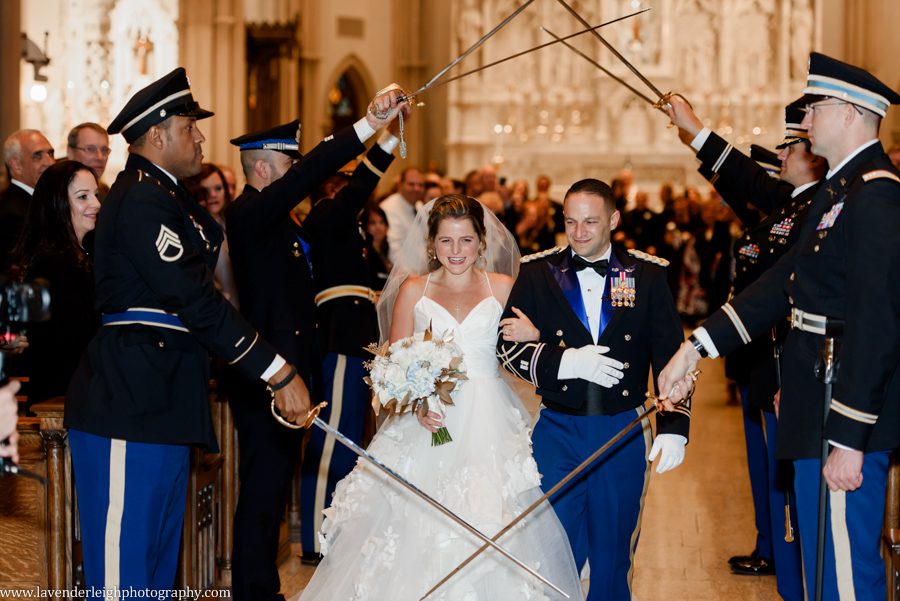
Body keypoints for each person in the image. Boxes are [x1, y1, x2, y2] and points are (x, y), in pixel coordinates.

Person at [658, 52, 900, 601]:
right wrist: (695, 346)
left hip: (841, 413)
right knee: (820, 571)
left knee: (845, 575)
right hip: (815, 401)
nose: (805, 123)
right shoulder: (840, 192)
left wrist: (852, 438)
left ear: (849, 112)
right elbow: (780, 284)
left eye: (814, 109)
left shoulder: (876, 196)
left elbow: (878, 327)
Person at [64, 67, 311, 596]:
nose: (200, 137)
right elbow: (193, 298)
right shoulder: (141, 198)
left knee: (155, 571)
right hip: (128, 400)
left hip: (164, 398)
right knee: (122, 574)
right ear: (156, 135)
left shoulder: (172, 200)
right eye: (189, 126)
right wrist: (277, 370)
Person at [300, 194, 582, 600]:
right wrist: (415, 402)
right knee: (412, 524)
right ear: (431, 244)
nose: (456, 251)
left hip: (488, 418)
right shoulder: (415, 290)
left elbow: (544, 342)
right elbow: (388, 365)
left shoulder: (504, 288)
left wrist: (534, 335)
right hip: (426, 422)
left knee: (489, 517)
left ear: (482, 242)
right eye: (446, 241)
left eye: (466, 241)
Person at [227, 88, 406, 601]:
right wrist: (365, 125)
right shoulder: (250, 214)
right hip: (269, 374)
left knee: (273, 485)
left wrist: (386, 141)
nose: (298, 175)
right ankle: (254, 592)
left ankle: (260, 587)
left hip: (291, 368)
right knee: (263, 488)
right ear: (264, 170)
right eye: (290, 165)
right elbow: (314, 177)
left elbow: (346, 198)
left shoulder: (280, 221)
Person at [497, 178, 690, 601]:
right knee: (553, 549)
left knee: (613, 552)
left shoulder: (648, 275)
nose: (579, 232)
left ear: (614, 220)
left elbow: (671, 357)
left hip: (620, 428)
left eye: (590, 222)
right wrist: (562, 357)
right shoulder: (537, 272)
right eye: (571, 222)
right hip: (557, 429)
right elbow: (504, 349)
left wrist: (675, 424)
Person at [668, 95, 825, 593]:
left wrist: (699, 132)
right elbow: (743, 183)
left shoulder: (820, 205)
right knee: (766, 465)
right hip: (760, 354)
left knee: (784, 472)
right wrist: (695, 136)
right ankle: (773, 548)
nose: (780, 156)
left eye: (791, 147)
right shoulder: (795, 202)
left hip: (783, 357)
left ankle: (785, 556)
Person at [298, 118, 400, 565]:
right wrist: (390, 140)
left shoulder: (343, 224)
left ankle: (334, 524)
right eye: (346, 181)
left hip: (354, 332)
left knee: (351, 429)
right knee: (333, 432)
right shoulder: (326, 215)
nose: (354, 190)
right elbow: (360, 190)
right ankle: (316, 536)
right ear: (332, 187)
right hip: (340, 330)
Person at [12, 160, 101, 411]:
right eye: (83, 197)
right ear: (57, 203)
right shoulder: (54, 262)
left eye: (95, 194)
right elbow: (70, 340)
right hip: (61, 400)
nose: (96, 204)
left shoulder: (83, 254)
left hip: (80, 393)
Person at [1, 129, 55, 274]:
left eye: (50, 153)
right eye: (37, 156)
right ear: (16, 165)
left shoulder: (36, 203)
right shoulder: (13, 214)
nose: (50, 162)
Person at [184, 163, 239, 307]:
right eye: (205, 190)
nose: (213, 195)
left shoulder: (230, 222)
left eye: (218, 188)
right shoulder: (196, 228)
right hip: (217, 306)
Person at [380, 166, 424, 263]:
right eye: (411, 184)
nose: (416, 188)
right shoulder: (389, 207)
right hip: (404, 273)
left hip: (422, 270)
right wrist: (411, 276)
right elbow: (393, 251)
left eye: (420, 185)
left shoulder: (419, 205)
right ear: (400, 185)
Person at [66, 122, 111, 192]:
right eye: (90, 149)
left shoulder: (105, 192)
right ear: (71, 152)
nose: (100, 157)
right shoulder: (54, 192)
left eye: (104, 150)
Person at [360, 203, 391, 291]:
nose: (378, 227)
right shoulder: (364, 253)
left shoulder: (386, 250)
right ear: (365, 226)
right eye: (373, 223)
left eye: (381, 222)